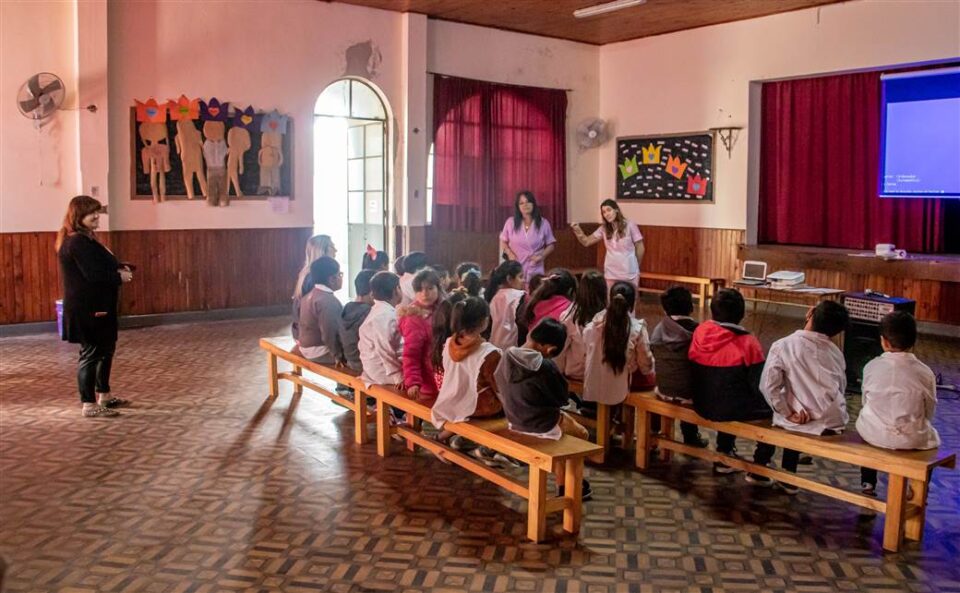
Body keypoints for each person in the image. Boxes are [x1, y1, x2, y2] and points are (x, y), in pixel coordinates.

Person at [495, 318, 593, 500]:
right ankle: (568, 485)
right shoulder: (544, 365)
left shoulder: (507, 355)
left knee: (566, 441)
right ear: (549, 349)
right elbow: (561, 398)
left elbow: (499, 384)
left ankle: (566, 483)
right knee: (581, 436)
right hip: (541, 424)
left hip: (514, 419)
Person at [759, 300, 849, 492]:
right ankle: (788, 473)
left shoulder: (783, 345)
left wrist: (787, 412)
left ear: (810, 313)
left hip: (799, 420)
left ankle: (760, 467)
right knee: (795, 396)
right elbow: (841, 387)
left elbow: (768, 386)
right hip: (831, 421)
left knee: (779, 400)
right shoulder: (836, 353)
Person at [56, 195, 133, 418]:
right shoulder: (77, 242)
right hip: (88, 308)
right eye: (92, 212)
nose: (97, 216)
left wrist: (120, 267)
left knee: (105, 350)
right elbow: (93, 275)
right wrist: (120, 277)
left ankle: (104, 396)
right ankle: (88, 404)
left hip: (100, 305)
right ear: (79, 216)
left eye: (98, 211)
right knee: (91, 354)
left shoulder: (86, 239)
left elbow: (98, 265)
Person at [688, 288, 774, 475]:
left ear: (712, 310)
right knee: (771, 409)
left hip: (700, 402)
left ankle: (724, 452)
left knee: (726, 389)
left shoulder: (700, 331)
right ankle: (760, 466)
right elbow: (759, 384)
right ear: (742, 314)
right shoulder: (749, 342)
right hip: (731, 407)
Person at [856, 311, 940, 496]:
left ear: (883, 341)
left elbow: (865, 401)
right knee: (932, 439)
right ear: (914, 341)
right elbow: (929, 410)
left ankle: (868, 482)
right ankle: (919, 491)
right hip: (912, 438)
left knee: (867, 424)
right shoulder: (925, 373)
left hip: (874, 434)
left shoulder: (871, 366)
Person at [430, 297, 503, 464]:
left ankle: (456, 439)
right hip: (478, 408)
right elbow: (499, 387)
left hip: (450, 400)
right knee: (510, 412)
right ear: (485, 321)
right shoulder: (490, 353)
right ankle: (487, 449)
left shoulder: (450, 342)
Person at [648, 286, 708, 448]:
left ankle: (653, 431)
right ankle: (690, 435)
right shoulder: (699, 331)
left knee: (663, 380)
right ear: (690, 307)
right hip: (690, 393)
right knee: (691, 381)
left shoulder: (659, 329)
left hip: (664, 388)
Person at [582, 282, 654, 409]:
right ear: (632, 303)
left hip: (593, 382)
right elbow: (645, 365)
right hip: (622, 386)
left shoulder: (592, 326)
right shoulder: (637, 327)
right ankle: (627, 421)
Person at [571, 199, 645, 290]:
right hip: (611, 271)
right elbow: (586, 241)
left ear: (616, 210)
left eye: (609, 210)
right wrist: (577, 230)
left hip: (629, 271)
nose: (607, 214)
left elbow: (640, 246)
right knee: (610, 300)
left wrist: (636, 264)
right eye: (604, 212)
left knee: (630, 298)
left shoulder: (630, 225)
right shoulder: (603, 228)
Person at [398, 268, 443, 405]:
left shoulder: (443, 308)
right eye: (419, 290)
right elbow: (410, 354)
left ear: (438, 288)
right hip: (429, 379)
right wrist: (413, 381)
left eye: (430, 288)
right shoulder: (414, 316)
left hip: (443, 372)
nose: (425, 294)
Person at [554, 270, 607, 382]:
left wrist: (558, 375)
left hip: (576, 372)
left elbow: (561, 350)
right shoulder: (609, 315)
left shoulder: (569, 316)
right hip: (601, 373)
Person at [499, 191, 557, 284]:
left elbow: (551, 245)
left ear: (533, 204)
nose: (525, 205)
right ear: (518, 206)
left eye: (528, 202)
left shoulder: (543, 223)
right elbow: (503, 241)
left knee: (535, 294)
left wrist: (541, 257)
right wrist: (510, 254)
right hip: (516, 266)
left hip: (535, 266)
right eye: (521, 203)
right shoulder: (510, 222)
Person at [359, 272, 404, 389]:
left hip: (376, 367)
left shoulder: (379, 310)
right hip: (383, 372)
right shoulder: (384, 315)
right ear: (396, 290)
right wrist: (398, 376)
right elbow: (384, 349)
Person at [297, 257, 344, 364]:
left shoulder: (310, 295)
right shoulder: (328, 301)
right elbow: (329, 333)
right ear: (332, 279)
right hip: (320, 352)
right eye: (339, 275)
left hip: (305, 346)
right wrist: (337, 355)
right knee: (355, 358)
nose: (341, 278)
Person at [292, 234, 337, 341]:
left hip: (302, 330)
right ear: (322, 250)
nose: (336, 250)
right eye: (332, 247)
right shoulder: (313, 277)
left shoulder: (307, 273)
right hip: (306, 334)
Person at [340, 269, 376, 372]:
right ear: (372, 294)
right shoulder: (368, 312)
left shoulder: (347, 307)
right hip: (362, 364)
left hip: (350, 359)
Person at [485, 261, 526, 350]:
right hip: (514, 348)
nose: (524, 281)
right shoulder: (520, 296)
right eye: (521, 277)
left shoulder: (493, 297)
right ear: (509, 279)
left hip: (494, 347)